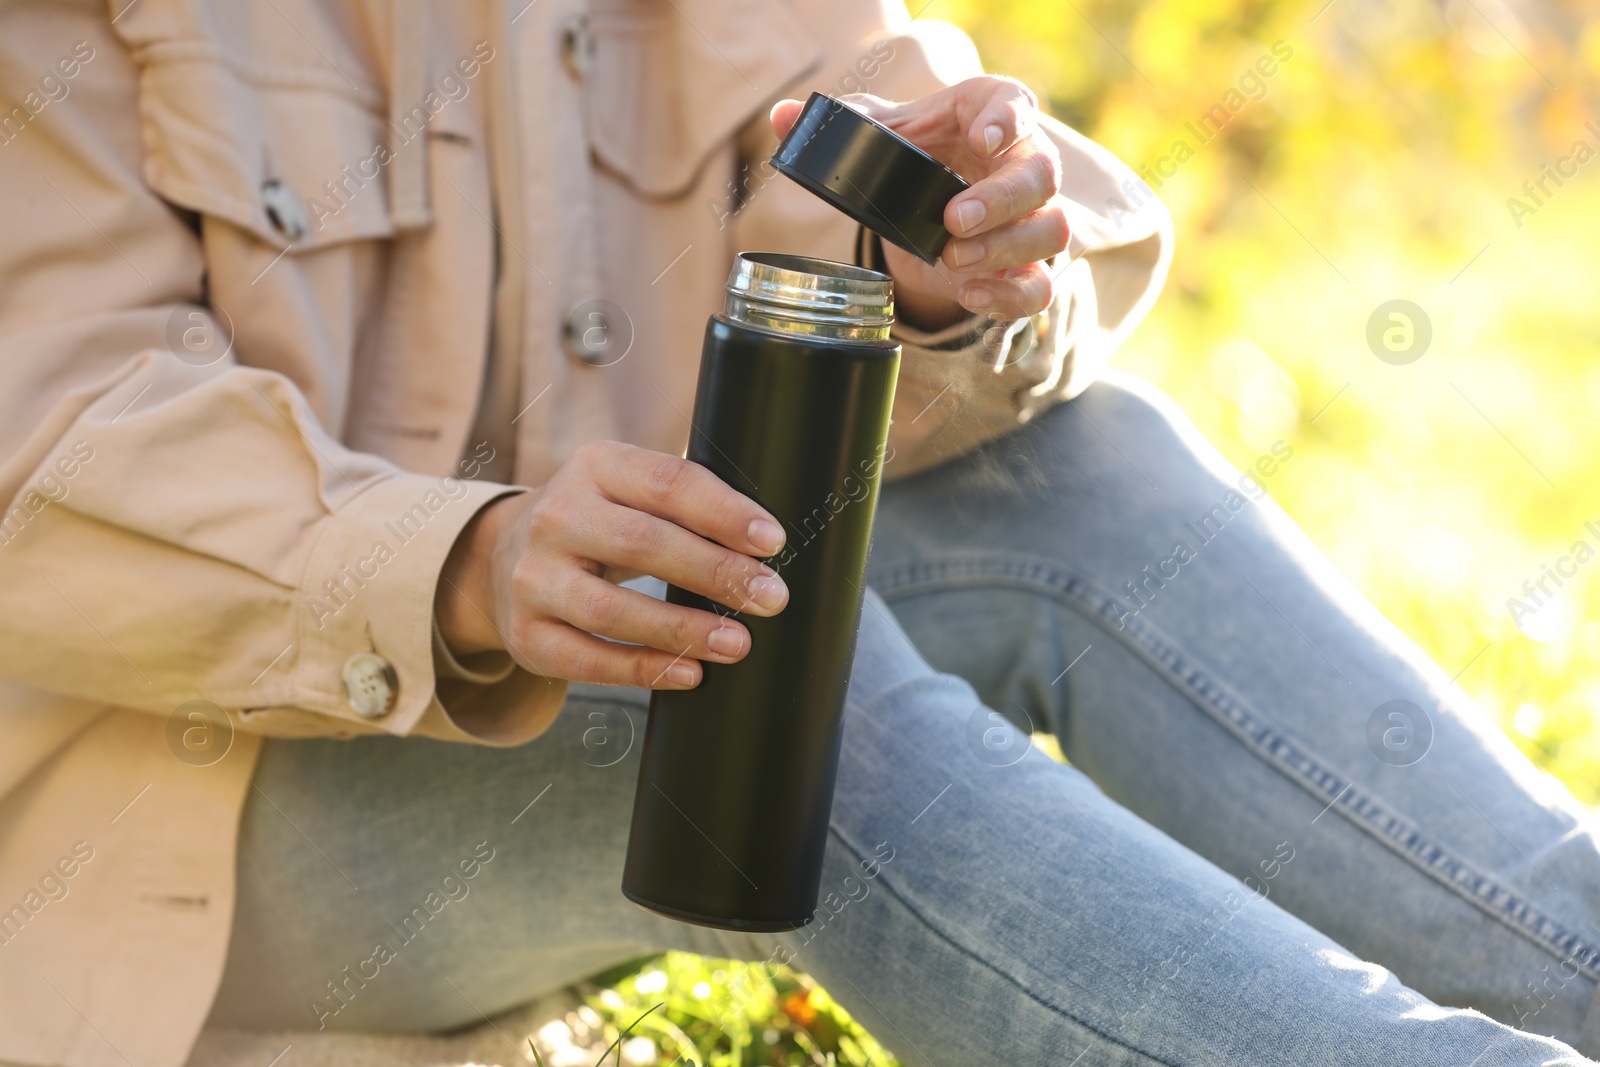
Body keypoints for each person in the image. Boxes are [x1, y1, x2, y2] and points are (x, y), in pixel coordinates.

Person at [1, 0, 1596, 1064]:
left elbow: (868, 149)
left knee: (1074, 473)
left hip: (621, 655)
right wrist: (469, 562)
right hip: (174, 822)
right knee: (730, 669)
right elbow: (39, 446)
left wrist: (938, 252)